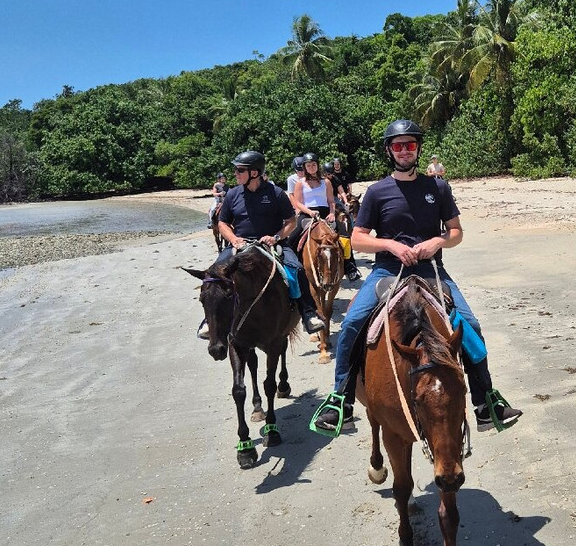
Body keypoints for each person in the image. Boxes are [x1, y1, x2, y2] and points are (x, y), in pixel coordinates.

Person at [311, 119, 522, 436]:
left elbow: (455, 232)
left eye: (410, 145)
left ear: (418, 148)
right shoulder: (377, 192)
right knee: (352, 322)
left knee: (471, 324)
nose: (404, 151)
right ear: (389, 151)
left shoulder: (438, 188)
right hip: (387, 271)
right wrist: (391, 245)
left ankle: (484, 401)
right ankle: (341, 399)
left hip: (431, 271)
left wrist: (437, 241)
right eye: (398, 146)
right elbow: (357, 239)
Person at [197, 150, 324, 338]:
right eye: (236, 170)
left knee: (296, 269)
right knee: (213, 274)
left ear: (254, 173)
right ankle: (209, 320)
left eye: (240, 170)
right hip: (239, 244)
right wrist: (233, 239)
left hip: (273, 244)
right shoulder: (233, 194)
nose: (235, 173)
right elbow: (223, 223)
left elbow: (291, 221)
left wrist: (276, 237)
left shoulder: (276, 193)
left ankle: (308, 313)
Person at [284, 153, 335, 252]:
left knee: (343, 234)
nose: (311, 167)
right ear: (305, 167)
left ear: (318, 165)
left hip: (325, 212)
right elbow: (298, 203)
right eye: (308, 165)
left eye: (313, 165)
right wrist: (310, 212)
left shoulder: (326, 182)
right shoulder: (300, 183)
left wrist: (332, 213)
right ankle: (290, 258)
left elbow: (331, 201)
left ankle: (349, 260)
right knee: (293, 237)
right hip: (307, 212)